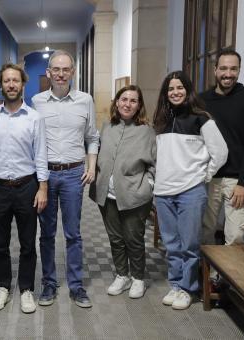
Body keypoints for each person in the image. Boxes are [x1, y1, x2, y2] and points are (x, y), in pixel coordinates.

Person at [152, 71, 228, 310]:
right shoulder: (162, 120)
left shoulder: (201, 118)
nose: (175, 92)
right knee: (172, 244)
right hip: (164, 192)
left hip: (190, 192)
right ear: (166, 93)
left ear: (188, 90)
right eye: (170, 89)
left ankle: (189, 289)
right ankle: (176, 284)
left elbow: (221, 152)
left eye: (180, 87)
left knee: (189, 245)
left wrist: (203, 176)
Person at [0, 63, 48, 314]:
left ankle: (26, 289)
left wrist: (43, 188)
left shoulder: (34, 117)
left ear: (23, 85)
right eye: (6, 81)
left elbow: (40, 154)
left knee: (28, 242)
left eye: (15, 81)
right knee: (0, 242)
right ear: (1, 85)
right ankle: (4, 286)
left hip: (26, 186)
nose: (11, 85)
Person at [31, 50, 99, 308]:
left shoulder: (85, 100)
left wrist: (90, 167)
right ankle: (49, 283)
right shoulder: (36, 101)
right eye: (56, 69)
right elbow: (33, 140)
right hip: (45, 176)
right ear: (48, 72)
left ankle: (76, 286)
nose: (60, 74)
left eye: (66, 69)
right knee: (46, 233)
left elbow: (93, 137)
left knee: (73, 234)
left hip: (73, 174)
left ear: (73, 72)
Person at [89, 85, 156, 299]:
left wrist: (149, 186)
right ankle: (122, 275)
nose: (127, 104)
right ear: (117, 102)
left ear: (139, 106)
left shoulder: (146, 131)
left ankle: (138, 278)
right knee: (115, 238)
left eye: (133, 101)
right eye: (124, 99)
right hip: (106, 195)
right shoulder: (107, 126)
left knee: (133, 239)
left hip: (134, 196)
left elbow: (155, 164)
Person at [201, 49, 244, 251]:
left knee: (237, 235)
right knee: (203, 230)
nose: (228, 73)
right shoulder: (202, 101)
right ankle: (206, 276)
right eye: (224, 68)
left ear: (239, 70)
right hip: (207, 177)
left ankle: (223, 282)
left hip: (237, 180)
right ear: (215, 70)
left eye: (233, 69)